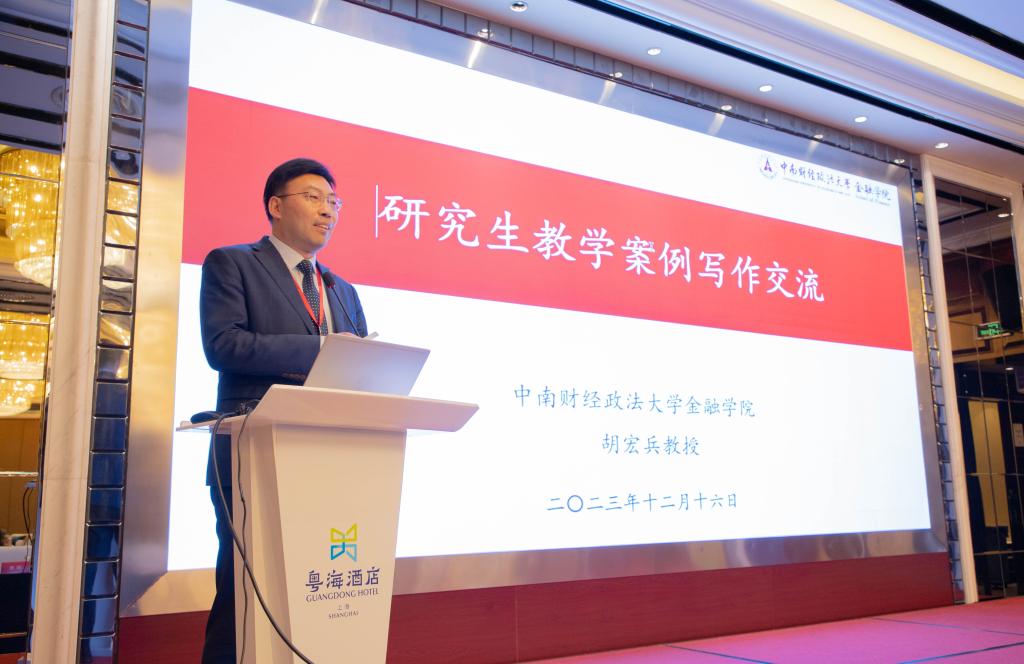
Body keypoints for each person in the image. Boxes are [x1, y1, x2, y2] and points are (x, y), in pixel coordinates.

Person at [199, 157, 367, 663]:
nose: (327, 211)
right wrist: (322, 349)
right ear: (276, 205)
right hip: (254, 453)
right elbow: (224, 346)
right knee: (244, 591)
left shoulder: (342, 289)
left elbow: (354, 368)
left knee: (315, 586)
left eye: (334, 202)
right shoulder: (232, 263)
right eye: (313, 198)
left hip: (327, 457)